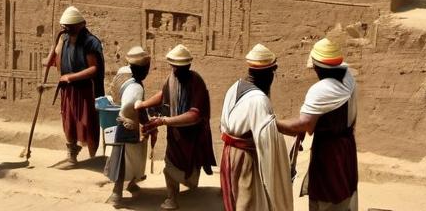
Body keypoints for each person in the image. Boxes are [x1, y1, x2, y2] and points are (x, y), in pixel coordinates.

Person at [276, 39, 358, 211]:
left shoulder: (321, 90)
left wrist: (272, 123)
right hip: (346, 147)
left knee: (329, 198)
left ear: (318, 68)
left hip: (330, 154)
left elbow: (305, 125)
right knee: (343, 195)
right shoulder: (347, 76)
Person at [139, 44, 216, 210]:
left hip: (192, 135)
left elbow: (195, 115)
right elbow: (163, 95)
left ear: (188, 66)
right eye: (174, 67)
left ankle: (188, 185)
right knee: (170, 166)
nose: (176, 70)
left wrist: (166, 121)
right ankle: (172, 198)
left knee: (191, 168)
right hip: (175, 134)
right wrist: (143, 104)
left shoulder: (197, 82)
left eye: (180, 68)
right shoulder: (171, 78)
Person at [220, 45, 293, 211]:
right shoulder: (259, 100)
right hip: (246, 158)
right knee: (247, 203)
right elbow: (267, 141)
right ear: (268, 74)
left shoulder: (235, 87)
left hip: (230, 154)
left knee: (236, 199)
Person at [42, 6, 104, 164]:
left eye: (70, 26)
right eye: (65, 27)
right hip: (68, 90)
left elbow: (93, 69)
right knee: (68, 121)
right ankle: (72, 155)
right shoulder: (64, 41)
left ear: (81, 24)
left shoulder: (90, 42)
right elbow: (48, 63)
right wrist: (53, 47)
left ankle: (93, 158)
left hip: (86, 90)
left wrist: (70, 77)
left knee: (87, 123)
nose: (66, 29)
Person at [105, 47, 152, 206]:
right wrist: (146, 123)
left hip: (124, 121)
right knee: (123, 159)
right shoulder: (136, 88)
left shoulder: (125, 74)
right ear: (144, 69)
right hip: (127, 125)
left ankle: (131, 183)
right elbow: (134, 107)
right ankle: (116, 193)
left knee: (133, 157)